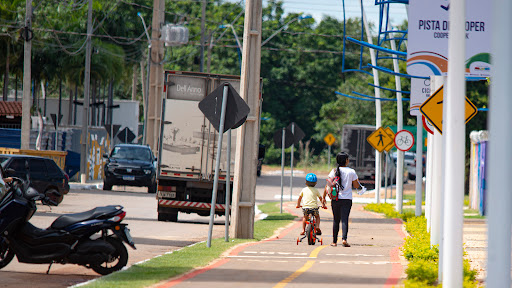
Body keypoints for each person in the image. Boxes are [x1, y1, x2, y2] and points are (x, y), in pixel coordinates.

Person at [323, 152, 362, 247]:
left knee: (336, 220)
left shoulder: (334, 171)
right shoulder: (351, 171)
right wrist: (359, 184)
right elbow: (356, 185)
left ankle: (334, 241)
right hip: (347, 199)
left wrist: (324, 197)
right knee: (345, 219)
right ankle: (344, 239)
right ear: (346, 161)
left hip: (335, 198)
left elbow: (328, 185)